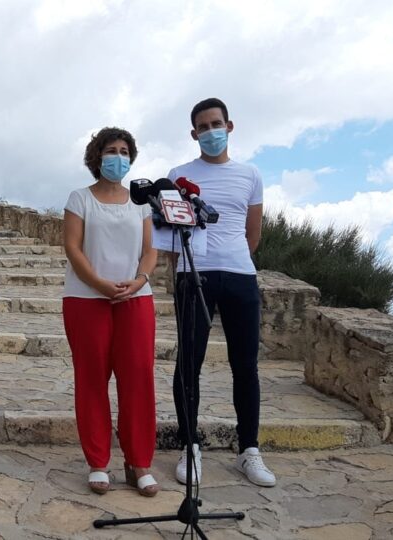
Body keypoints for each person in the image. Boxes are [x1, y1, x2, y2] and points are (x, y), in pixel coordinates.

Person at [167, 98, 276, 487]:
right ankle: (190, 446)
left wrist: (234, 259)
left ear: (229, 126)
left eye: (216, 123)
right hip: (193, 273)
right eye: (203, 126)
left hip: (239, 275)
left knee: (245, 365)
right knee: (189, 362)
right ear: (194, 133)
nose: (210, 131)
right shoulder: (178, 174)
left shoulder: (250, 174)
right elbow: (169, 226)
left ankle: (250, 449)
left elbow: (253, 231)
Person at [62, 127, 159, 496]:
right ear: (97, 156)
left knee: (138, 377)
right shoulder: (80, 199)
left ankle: (139, 463)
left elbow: (150, 249)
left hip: (136, 298)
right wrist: (100, 285)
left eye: (123, 150)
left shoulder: (141, 202)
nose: (117, 156)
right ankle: (98, 462)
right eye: (110, 150)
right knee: (92, 379)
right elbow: (73, 248)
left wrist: (139, 280)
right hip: (87, 299)